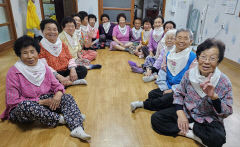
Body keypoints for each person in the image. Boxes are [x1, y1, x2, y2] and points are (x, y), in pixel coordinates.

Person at [0, 35, 91, 141]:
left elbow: (57, 85)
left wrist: (58, 94)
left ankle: (77, 128)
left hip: (46, 100)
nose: (30, 56)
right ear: (19, 55)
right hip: (26, 107)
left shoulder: (43, 66)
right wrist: (42, 102)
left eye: (32, 52)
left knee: (67, 97)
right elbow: (13, 101)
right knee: (26, 106)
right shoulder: (14, 72)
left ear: (37, 52)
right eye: (25, 53)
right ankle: (65, 118)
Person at [151, 38, 233, 147]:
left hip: (207, 119)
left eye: (212, 58)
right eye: (203, 57)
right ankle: (191, 134)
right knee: (157, 119)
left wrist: (214, 97)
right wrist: (180, 115)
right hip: (187, 112)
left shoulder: (224, 82)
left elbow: (227, 112)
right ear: (198, 58)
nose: (207, 62)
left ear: (218, 61)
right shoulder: (189, 74)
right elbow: (178, 94)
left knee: (218, 139)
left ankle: (191, 128)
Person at [130, 29, 196, 112]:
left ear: (191, 41)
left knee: (166, 98)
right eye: (179, 38)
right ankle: (167, 106)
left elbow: (189, 82)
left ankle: (142, 104)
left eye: (185, 38)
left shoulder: (193, 57)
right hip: (168, 85)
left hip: (180, 91)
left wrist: (172, 90)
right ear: (175, 40)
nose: (182, 41)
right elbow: (163, 70)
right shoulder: (170, 54)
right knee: (152, 94)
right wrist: (165, 88)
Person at [38, 19, 88, 87]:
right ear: (42, 31)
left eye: (54, 29)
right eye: (49, 29)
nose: (52, 32)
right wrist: (58, 76)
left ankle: (64, 83)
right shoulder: (40, 47)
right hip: (53, 74)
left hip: (66, 70)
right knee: (44, 80)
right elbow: (44, 66)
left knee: (83, 69)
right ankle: (71, 82)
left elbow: (70, 58)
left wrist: (72, 69)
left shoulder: (62, 44)